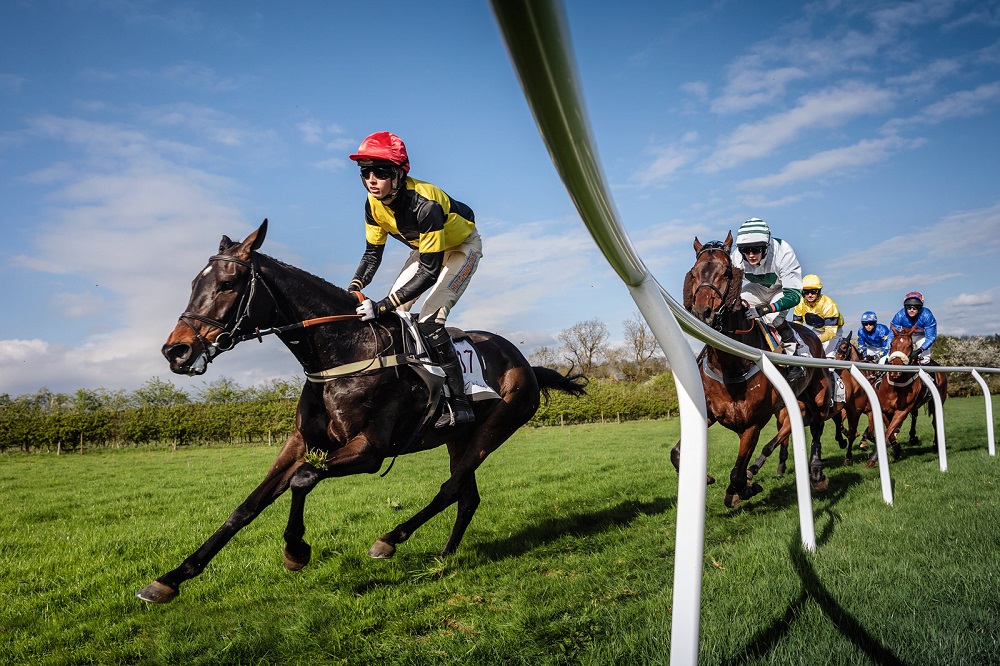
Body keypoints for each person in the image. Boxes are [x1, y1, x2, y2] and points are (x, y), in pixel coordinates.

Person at [346, 131, 483, 427]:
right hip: (427, 249)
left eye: (380, 172)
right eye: (365, 172)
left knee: (429, 321)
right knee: (392, 319)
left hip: (460, 247)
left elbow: (430, 272)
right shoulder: (373, 205)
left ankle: (460, 402)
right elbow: (372, 255)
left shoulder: (425, 204)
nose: (371, 179)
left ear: (398, 174)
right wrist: (353, 288)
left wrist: (382, 304)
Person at [731, 217, 806, 382]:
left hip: (781, 289)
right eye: (745, 249)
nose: (750, 255)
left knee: (771, 318)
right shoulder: (736, 257)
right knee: (737, 308)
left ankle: (794, 360)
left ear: (766, 245)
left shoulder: (783, 252)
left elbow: (793, 296)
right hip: (758, 288)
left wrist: (766, 308)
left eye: (756, 249)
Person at [792, 274, 844, 358]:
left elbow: (830, 333)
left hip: (834, 332)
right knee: (806, 352)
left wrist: (814, 340)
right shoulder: (800, 303)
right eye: (806, 292)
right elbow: (796, 327)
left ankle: (831, 370)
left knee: (828, 356)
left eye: (813, 292)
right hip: (817, 330)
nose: (809, 295)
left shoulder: (829, 305)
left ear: (819, 291)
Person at [889, 291, 937, 364]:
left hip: (922, 337)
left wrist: (920, 350)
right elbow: (892, 335)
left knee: (925, 360)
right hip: (906, 337)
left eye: (915, 307)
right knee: (886, 358)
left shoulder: (927, 316)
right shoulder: (899, 315)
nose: (911, 310)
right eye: (909, 307)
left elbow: (930, 337)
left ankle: (926, 374)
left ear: (920, 308)